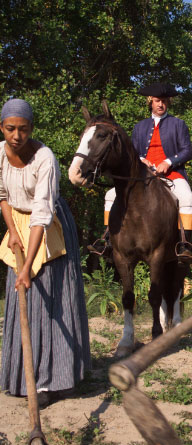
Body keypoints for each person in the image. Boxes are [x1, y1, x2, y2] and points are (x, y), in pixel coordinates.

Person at [0, 99, 91, 408]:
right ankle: (22, 378)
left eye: (23, 129)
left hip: (48, 226)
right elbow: (2, 196)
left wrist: (27, 266)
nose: (16, 136)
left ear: (31, 130)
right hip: (18, 224)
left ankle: (51, 382)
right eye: (10, 129)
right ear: (2, 128)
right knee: (22, 299)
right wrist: (12, 231)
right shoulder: (0, 153)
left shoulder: (44, 158)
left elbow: (41, 213)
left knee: (46, 302)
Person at [91, 82, 192, 259]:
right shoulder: (139, 127)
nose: (160, 104)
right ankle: (108, 240)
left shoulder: (178, 124)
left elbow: (187, 151)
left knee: (187, 199)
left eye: (163, 101)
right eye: (156, 101)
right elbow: (132, 153)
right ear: (150, 102)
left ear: (168, 102)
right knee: (110, 196)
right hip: (141, 175)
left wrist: (168, 162)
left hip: (171, 174)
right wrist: (141, 160)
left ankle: (184, 244)